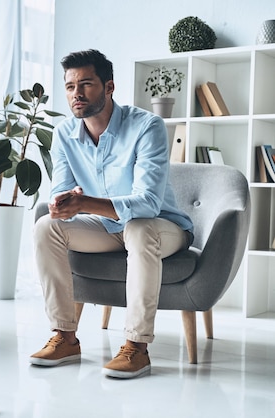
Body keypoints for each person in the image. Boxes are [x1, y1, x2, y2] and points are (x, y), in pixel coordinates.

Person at [30, 49, 194, 379]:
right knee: (46, 226)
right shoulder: (63, 134)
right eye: (70, 86)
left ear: (109, 87)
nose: (76, 94)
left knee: (139, 228)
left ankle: (137, 345)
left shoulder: (147, 126)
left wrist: (85, 203)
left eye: (86, 84)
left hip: (163, 226)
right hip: (106, 228)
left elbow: (147, 203)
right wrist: (61, 204)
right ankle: (64, 336)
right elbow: (59, 190)